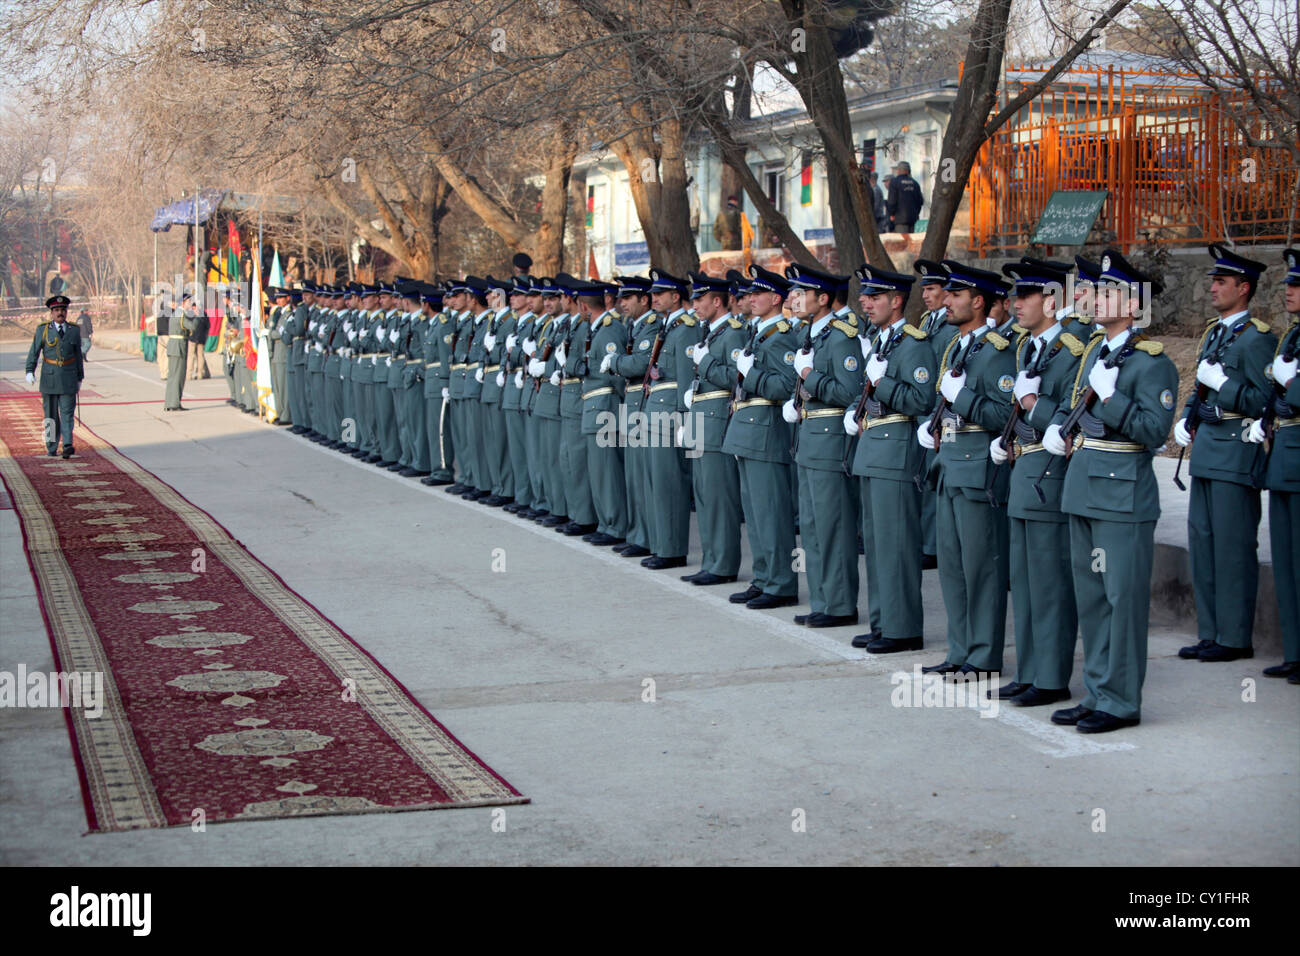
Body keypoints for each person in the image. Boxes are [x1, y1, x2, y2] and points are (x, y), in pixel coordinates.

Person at [1045, 249, 1177, 732]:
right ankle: (1097, 692)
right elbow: (1073, 406)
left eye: (1106, 292)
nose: (1094, 298)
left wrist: (1112, 397)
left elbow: (1154, 431)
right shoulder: (1095, 354)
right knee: (1093, 600)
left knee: (1122, 602)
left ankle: (1120, 702)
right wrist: (1057, 425)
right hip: (1083, 487)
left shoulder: (1151, 363)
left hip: (1122, 497)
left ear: (1132, 304)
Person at [989, 258, 1086, 706]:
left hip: (1051, 476)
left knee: (1049, 585)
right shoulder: (1029, 348)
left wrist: (1033, 404)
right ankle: (1029, 670)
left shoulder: (1072, 350)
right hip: (1025, 473)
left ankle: (1050, 677)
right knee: (1025, 584)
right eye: (1015, 295)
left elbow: (1072, 416)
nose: (1016, 303)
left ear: (1052, 301)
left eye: (1026, 295)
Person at [1173, 245, 1276, 663]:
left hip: (1235, 453)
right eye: (1213, 282)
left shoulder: (1257, 339)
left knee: (1233, 548)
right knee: (1203, 545)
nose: (1213, 288)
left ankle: (1234, 638)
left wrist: (1225, 386)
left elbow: (1265, 400)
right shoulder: (1215, 333)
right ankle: (1210, 632)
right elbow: (1202, 387)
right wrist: (1187, 416)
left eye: (1221, 282)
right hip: (1207, 452)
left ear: (1243, 288)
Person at [917, 261, 1016, 679]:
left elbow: (1005, 415)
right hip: (950, 466)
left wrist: (963, 400)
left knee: (982, 569)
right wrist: (933, 424)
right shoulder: (956, 347)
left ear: (978, 302)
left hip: (978, 471)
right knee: (953, 568)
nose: (947, 301)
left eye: (956, 295)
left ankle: (984, 656)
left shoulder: (998, 352)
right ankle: (959, 650)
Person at [845, 264, 936, 652]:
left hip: (896, 452)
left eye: (875, 297)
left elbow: (921, 400)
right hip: (873, 449)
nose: (866, 303)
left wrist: (884, 383)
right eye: (865, 296)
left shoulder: (914, 345)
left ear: (897, 301)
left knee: (896, 544)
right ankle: (883, 622)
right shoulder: (880, 342)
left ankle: (903, 628)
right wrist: (855, 409)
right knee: (877, 543)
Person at [783, 263, 862, 628]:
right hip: (809, 438)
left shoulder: (841, 337)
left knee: (833, 526)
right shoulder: (808, 334)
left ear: (824, 299)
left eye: (802, 293)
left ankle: (841, 605)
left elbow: (848, 392)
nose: (794, 299)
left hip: (830, 441)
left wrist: (808, 375)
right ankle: (823, 601)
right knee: (813, 528)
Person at [725, 264, 802, 609]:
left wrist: (751, 374)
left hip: (766, 432)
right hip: (748, 429)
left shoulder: (782, 335)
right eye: (750, 293)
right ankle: (763, 577)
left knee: (771, 513)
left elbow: (786, 386)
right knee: (755, 515)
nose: (751, 298)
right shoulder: (758, 333)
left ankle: (781, 583)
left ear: (775, 299)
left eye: (758, 293)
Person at [1245, 248, 1300, 684]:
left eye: (1297, 286)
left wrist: (1289, 383)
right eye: (1289, 284)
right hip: (1284, 458)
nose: (1289, 291)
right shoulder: (1291, 337)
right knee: (1285, 562)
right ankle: (1294, 651)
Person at [681, 272, 748, 585]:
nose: (695, 304)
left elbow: (737, 378)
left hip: (717, 422)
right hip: (701, 419)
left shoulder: (732, 334)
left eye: (700, 299)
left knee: (720, 497)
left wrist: (706, 362)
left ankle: (723, 564)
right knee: (705, 495)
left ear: (717, 301)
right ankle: (711, 561)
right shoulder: (709, 333)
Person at [24, 294, 85, 458]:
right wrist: (29, 370)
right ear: (51, 313)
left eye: (63, 310)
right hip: (49, 379)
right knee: (50, 415)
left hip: (68, 378)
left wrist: (80, 377)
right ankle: (51, 447)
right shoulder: (43, 330)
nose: (60, 313)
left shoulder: (74, 330)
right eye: (57, 310)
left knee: (67, 413)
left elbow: (78, 356)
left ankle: (67, 445)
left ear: (67, 312)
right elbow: (34, 352)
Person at [164, 292, 201, 411]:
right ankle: (174, 403)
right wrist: (197, 317)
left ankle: (170, 403)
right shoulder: (181, 314)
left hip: (174, 346)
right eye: (189, 301)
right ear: (183, 303)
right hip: (178, 346)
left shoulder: (177, 313)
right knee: (178, 376)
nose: (190, 303)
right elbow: (192, 327)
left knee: (173, 376)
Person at [885, 161, 923, 235]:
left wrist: (892, 214)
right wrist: (916, 213)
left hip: (899, 219)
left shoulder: (894, 182)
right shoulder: (915, 183)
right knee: (910, 239)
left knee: (902, 240)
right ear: (908, 171)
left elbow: (892, 201)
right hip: (912, 219)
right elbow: (920, 201)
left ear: (898, 171)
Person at [188, 298, 211, 379]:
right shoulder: (204, 314)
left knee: (191, 356)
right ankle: (200, 374)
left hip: (192, 337)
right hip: (201, 338)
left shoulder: (190, 314)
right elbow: (208, 326)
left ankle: (189, 374)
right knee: (200, 356)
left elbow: (188, 325)